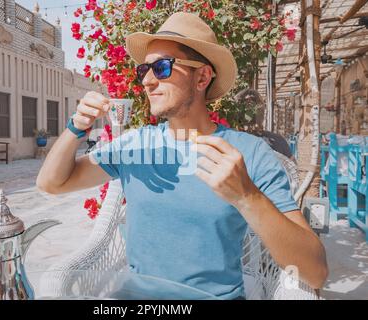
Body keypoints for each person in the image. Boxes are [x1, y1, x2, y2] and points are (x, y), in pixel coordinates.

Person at [37, 12, 328, 299]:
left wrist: (247, 196)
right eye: (144, 70)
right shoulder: (134, 145)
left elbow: (315, 272)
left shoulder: (249, 153)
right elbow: (52, 184)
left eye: (161, 68)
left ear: (202, 77)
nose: (147, 81)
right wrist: (76, 127)